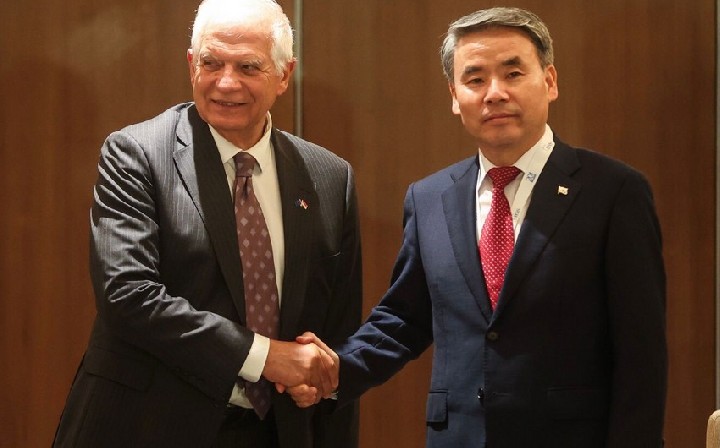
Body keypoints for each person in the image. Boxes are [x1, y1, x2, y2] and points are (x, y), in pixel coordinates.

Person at [289, 6, 667, 447]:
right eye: (475, 80)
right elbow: (405, 318)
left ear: (549, 81)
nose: (495, 93)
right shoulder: (429, 198)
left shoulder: (614, 192)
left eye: (513, 74)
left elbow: (642, 351)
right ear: (455, 96)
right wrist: (337, 369)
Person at [53, 0, 361, 447]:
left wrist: (322, 390)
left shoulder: (329, 178)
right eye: (211, 63)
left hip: (277, 432)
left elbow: (337, 337)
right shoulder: (136, 155)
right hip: (149, 426)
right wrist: (265, 357)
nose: (226, 82)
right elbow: (128, 295)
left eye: (248, 67)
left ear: (284, 75)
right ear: (191, 65)